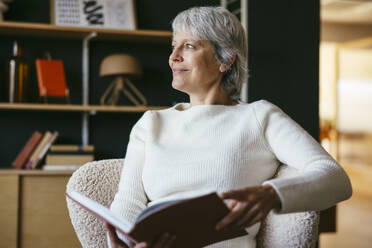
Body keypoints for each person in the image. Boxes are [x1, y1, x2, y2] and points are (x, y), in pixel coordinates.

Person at [106, 6, 352, 248]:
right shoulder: (151, 123)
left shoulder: (259, 116)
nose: (174, 57)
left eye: (189, 46)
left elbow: (335, 178)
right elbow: (128, 201)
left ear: (225, 59)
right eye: (174, 46)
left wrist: (272, 194)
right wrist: (125, 242)